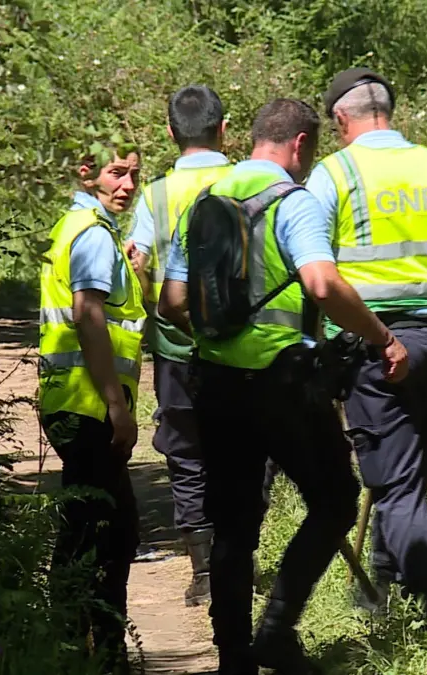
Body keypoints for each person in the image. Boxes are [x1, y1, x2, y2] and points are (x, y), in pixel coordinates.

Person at [158, 98, 409, 675]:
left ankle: (233, 658)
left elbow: (171, 302)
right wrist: (381, 336)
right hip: (284, 384)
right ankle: (276, 628)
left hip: (216, 383)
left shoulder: (203, 201)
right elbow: (322, 283)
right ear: (299, 145)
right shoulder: (292, 203)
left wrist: (221, 333)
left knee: (234, 526)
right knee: (335, 500)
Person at [306, 67, 427, 615]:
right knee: (408, 472)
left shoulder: (333, 174)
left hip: (378, 345)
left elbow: (313, 267)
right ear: (388, 112)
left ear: (342, 119)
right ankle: (381, 590)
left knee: (395, 485)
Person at [37, 147, 145, 674]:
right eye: (115, 173)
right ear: (85, 172)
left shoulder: (80, 227)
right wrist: (115, 405)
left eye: (133, 175)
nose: (126, 184)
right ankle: (101, 654)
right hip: (88, 406)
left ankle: (71, 648)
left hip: (72, 402)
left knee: (89, 531)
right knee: (109, 535)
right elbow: (87, 315)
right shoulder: (94, 235)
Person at [127, 85, 233, 603]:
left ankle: (203, 571)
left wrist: (151, 306)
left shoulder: (157, 194)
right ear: (224, 128)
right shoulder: (247, 182)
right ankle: (240, 559)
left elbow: (138, 263)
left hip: (176, 347)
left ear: (171, 132)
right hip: (243, 347)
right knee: (240, 450)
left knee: (187, 455)